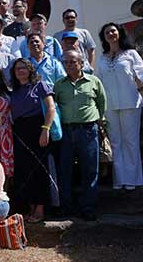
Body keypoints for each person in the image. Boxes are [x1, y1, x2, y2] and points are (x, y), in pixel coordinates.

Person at [55, 50, 106, 221]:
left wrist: (99, 123)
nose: (69, 65)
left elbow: (101, 104)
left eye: (72, 62)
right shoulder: (59, 84)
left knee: (90, 170)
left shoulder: (94, 81)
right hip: (66, 132)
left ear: (81, 63)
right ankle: (66, 206)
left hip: (88, 131)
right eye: (66, 62)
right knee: (65, 170)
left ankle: (88, 207)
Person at [95, 22, 143, 190]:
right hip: (110, 105)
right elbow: (98, 82)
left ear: (120, 33)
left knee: (131, 141)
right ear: (104, 37)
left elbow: (141, 75)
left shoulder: (131, 54)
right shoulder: (102, 58)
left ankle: (134, 180)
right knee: (116, 142)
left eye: (113, 31)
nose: (111, 34)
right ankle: (120, 179)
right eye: (107, 32)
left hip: (131, 102)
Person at [9, 58, 55, 223]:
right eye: (17, 69)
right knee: (24, 170)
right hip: (19, 132)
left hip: (37, 129)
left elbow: (51, 107)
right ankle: (29, 207)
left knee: (39, 169)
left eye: (23, 68)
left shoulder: (40, 85)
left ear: (30, 70)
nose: (20, 71)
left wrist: (46, 129)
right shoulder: (13, 90)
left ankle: (40, 208)